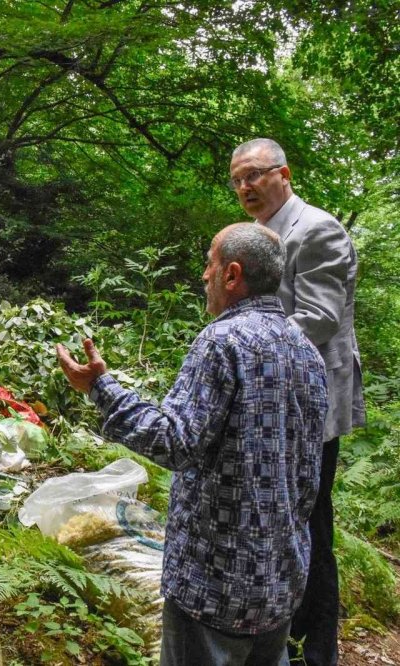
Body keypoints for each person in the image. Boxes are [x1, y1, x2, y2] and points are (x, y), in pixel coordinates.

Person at [56, 223, 327, 666]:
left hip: (214, 586)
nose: (204, 275)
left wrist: (101, 388)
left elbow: (174, 440)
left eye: (209, 263)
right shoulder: (306, 351)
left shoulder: (222, 342)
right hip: (280, 583)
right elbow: (306, 471)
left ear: (232, 274)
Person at [230, 138, 365, 666]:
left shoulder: (316, 229)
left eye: (254, 176)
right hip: (273, 399)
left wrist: (243, 343)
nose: (245, 187)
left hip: (314, 401)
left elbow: (321, 315)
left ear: (283, 174)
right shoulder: (259, 234)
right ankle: (279, 632)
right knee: (278, 514)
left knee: (310, 518)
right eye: (237, 180)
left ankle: (320, 647)